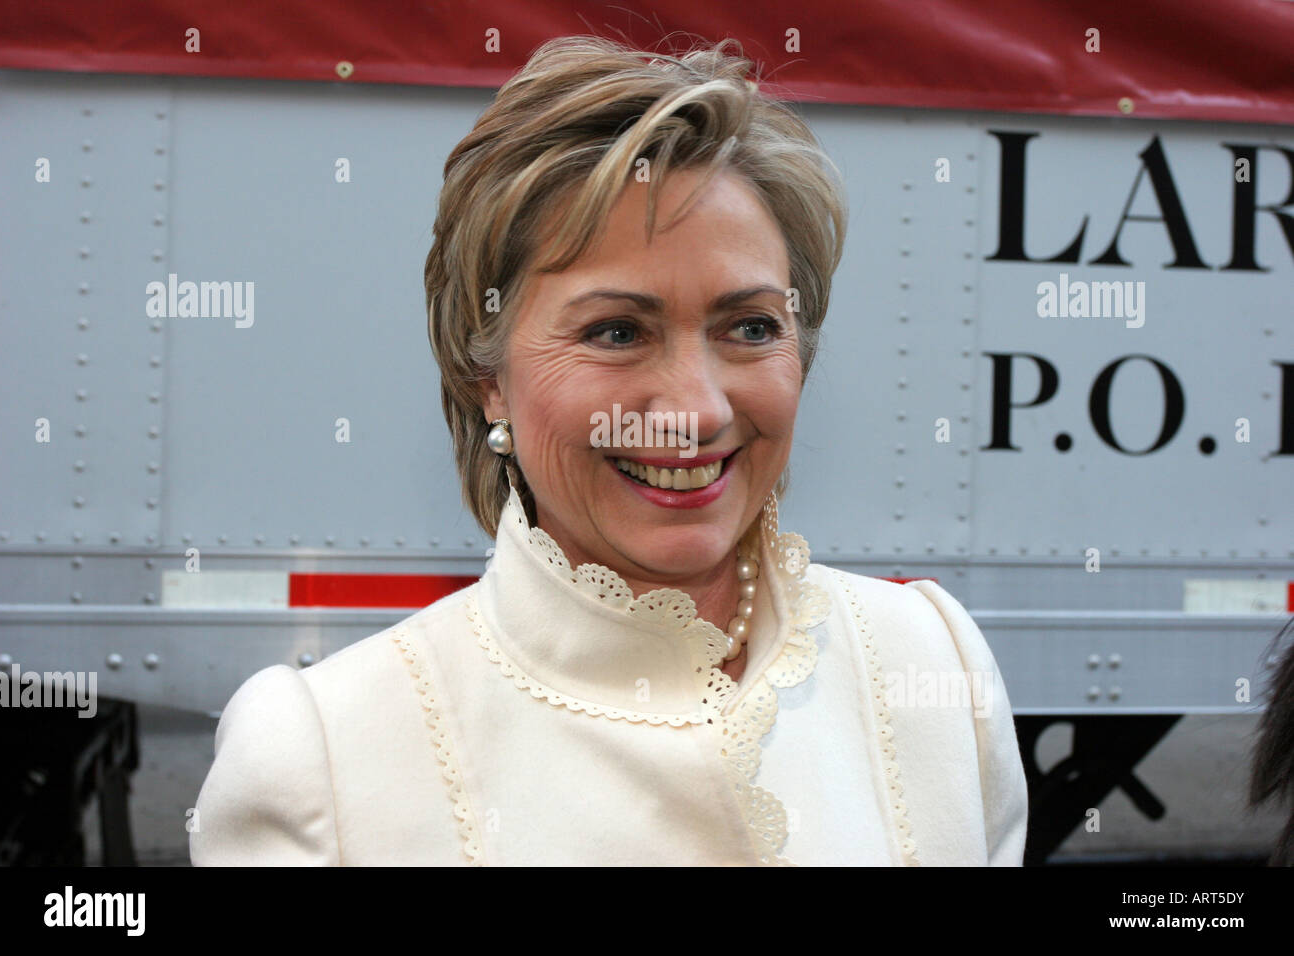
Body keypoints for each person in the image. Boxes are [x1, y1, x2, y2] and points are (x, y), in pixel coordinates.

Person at [190, 34, 1028, 866]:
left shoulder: (934, 670)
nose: (695, 411)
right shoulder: (321, 761)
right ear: (486, 377)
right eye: (617, 331)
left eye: (750, 327)